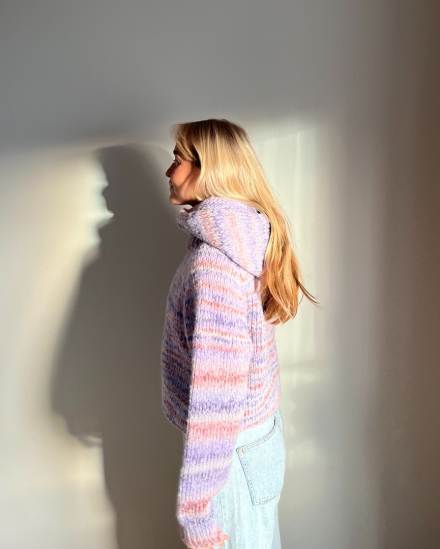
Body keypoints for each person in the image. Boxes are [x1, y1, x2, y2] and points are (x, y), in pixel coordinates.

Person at [160, 119, 320, 549]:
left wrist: (196, 511)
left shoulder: (214, 266)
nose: (169, 171)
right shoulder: (242, 235)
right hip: (255, 440)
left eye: (177, 160)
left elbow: (219, 398)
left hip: (230, 454)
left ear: (208, 169)